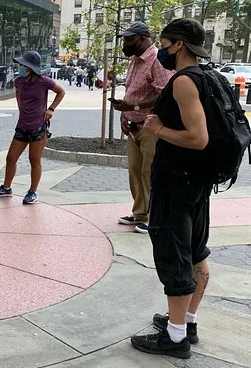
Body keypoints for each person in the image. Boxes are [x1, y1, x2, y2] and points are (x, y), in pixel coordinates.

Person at [130, 18, 214, 359]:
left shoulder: (183, 82)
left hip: (177, 183)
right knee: (197, 252)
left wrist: (157, 129)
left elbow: (198, 138)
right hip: (199, 182)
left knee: (174, 256)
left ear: (179, 44)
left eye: (164, 44)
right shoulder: (210, 77)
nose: (161, 50)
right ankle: (186, 323)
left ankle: (175, 338)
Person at [111, 22, 174, 234]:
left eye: (129, 39)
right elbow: (131, 92)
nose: (125, 44)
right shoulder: (135, 60)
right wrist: (125, 114)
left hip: (151, 127)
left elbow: (165, 94)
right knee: (135, 171)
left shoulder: (157, 61)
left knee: (150, 173)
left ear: (144, 39)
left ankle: (154, 217)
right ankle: (140, 213)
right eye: (124, 39)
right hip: (134, 127)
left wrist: (134, 107)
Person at [0, 51, 65, 204]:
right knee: (11, 158)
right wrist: (21, 109)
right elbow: (18, 95)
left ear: (30, 67)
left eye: (23, 65)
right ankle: (6, 187)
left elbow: (61, 92)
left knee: (34, 160)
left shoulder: (44, 81)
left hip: (38, 126)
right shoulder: (19, 81)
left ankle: (32, 192)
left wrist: (51, 109)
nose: (21, 67)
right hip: (22, 125)